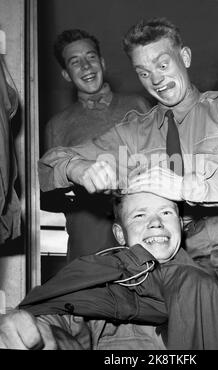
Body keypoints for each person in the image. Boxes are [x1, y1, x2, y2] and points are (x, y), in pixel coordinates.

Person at [37, 18, 218, 349]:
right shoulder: (134, 133)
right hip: (186, 260)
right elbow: (48, 168)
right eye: (143, 72)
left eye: (162, 64)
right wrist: (76, 168)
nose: (156, 79)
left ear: (185, 57)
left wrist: (184, 185)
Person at [0, 191, 218, 350]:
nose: (156, 223)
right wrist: (40, 332)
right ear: (120, 234)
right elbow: (63, 324)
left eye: (166, 212)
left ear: (180, 224)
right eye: (139, 216)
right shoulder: (97, 282)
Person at [42, 29, 151, 261]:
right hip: (89, 238)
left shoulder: (138, 104)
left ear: (102, 62)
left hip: (141, 227)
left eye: (91, 57)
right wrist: (84, 192)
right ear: (66, 74)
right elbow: (47, 190)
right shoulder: (58, 124)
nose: (86, 66)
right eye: (75, 62)